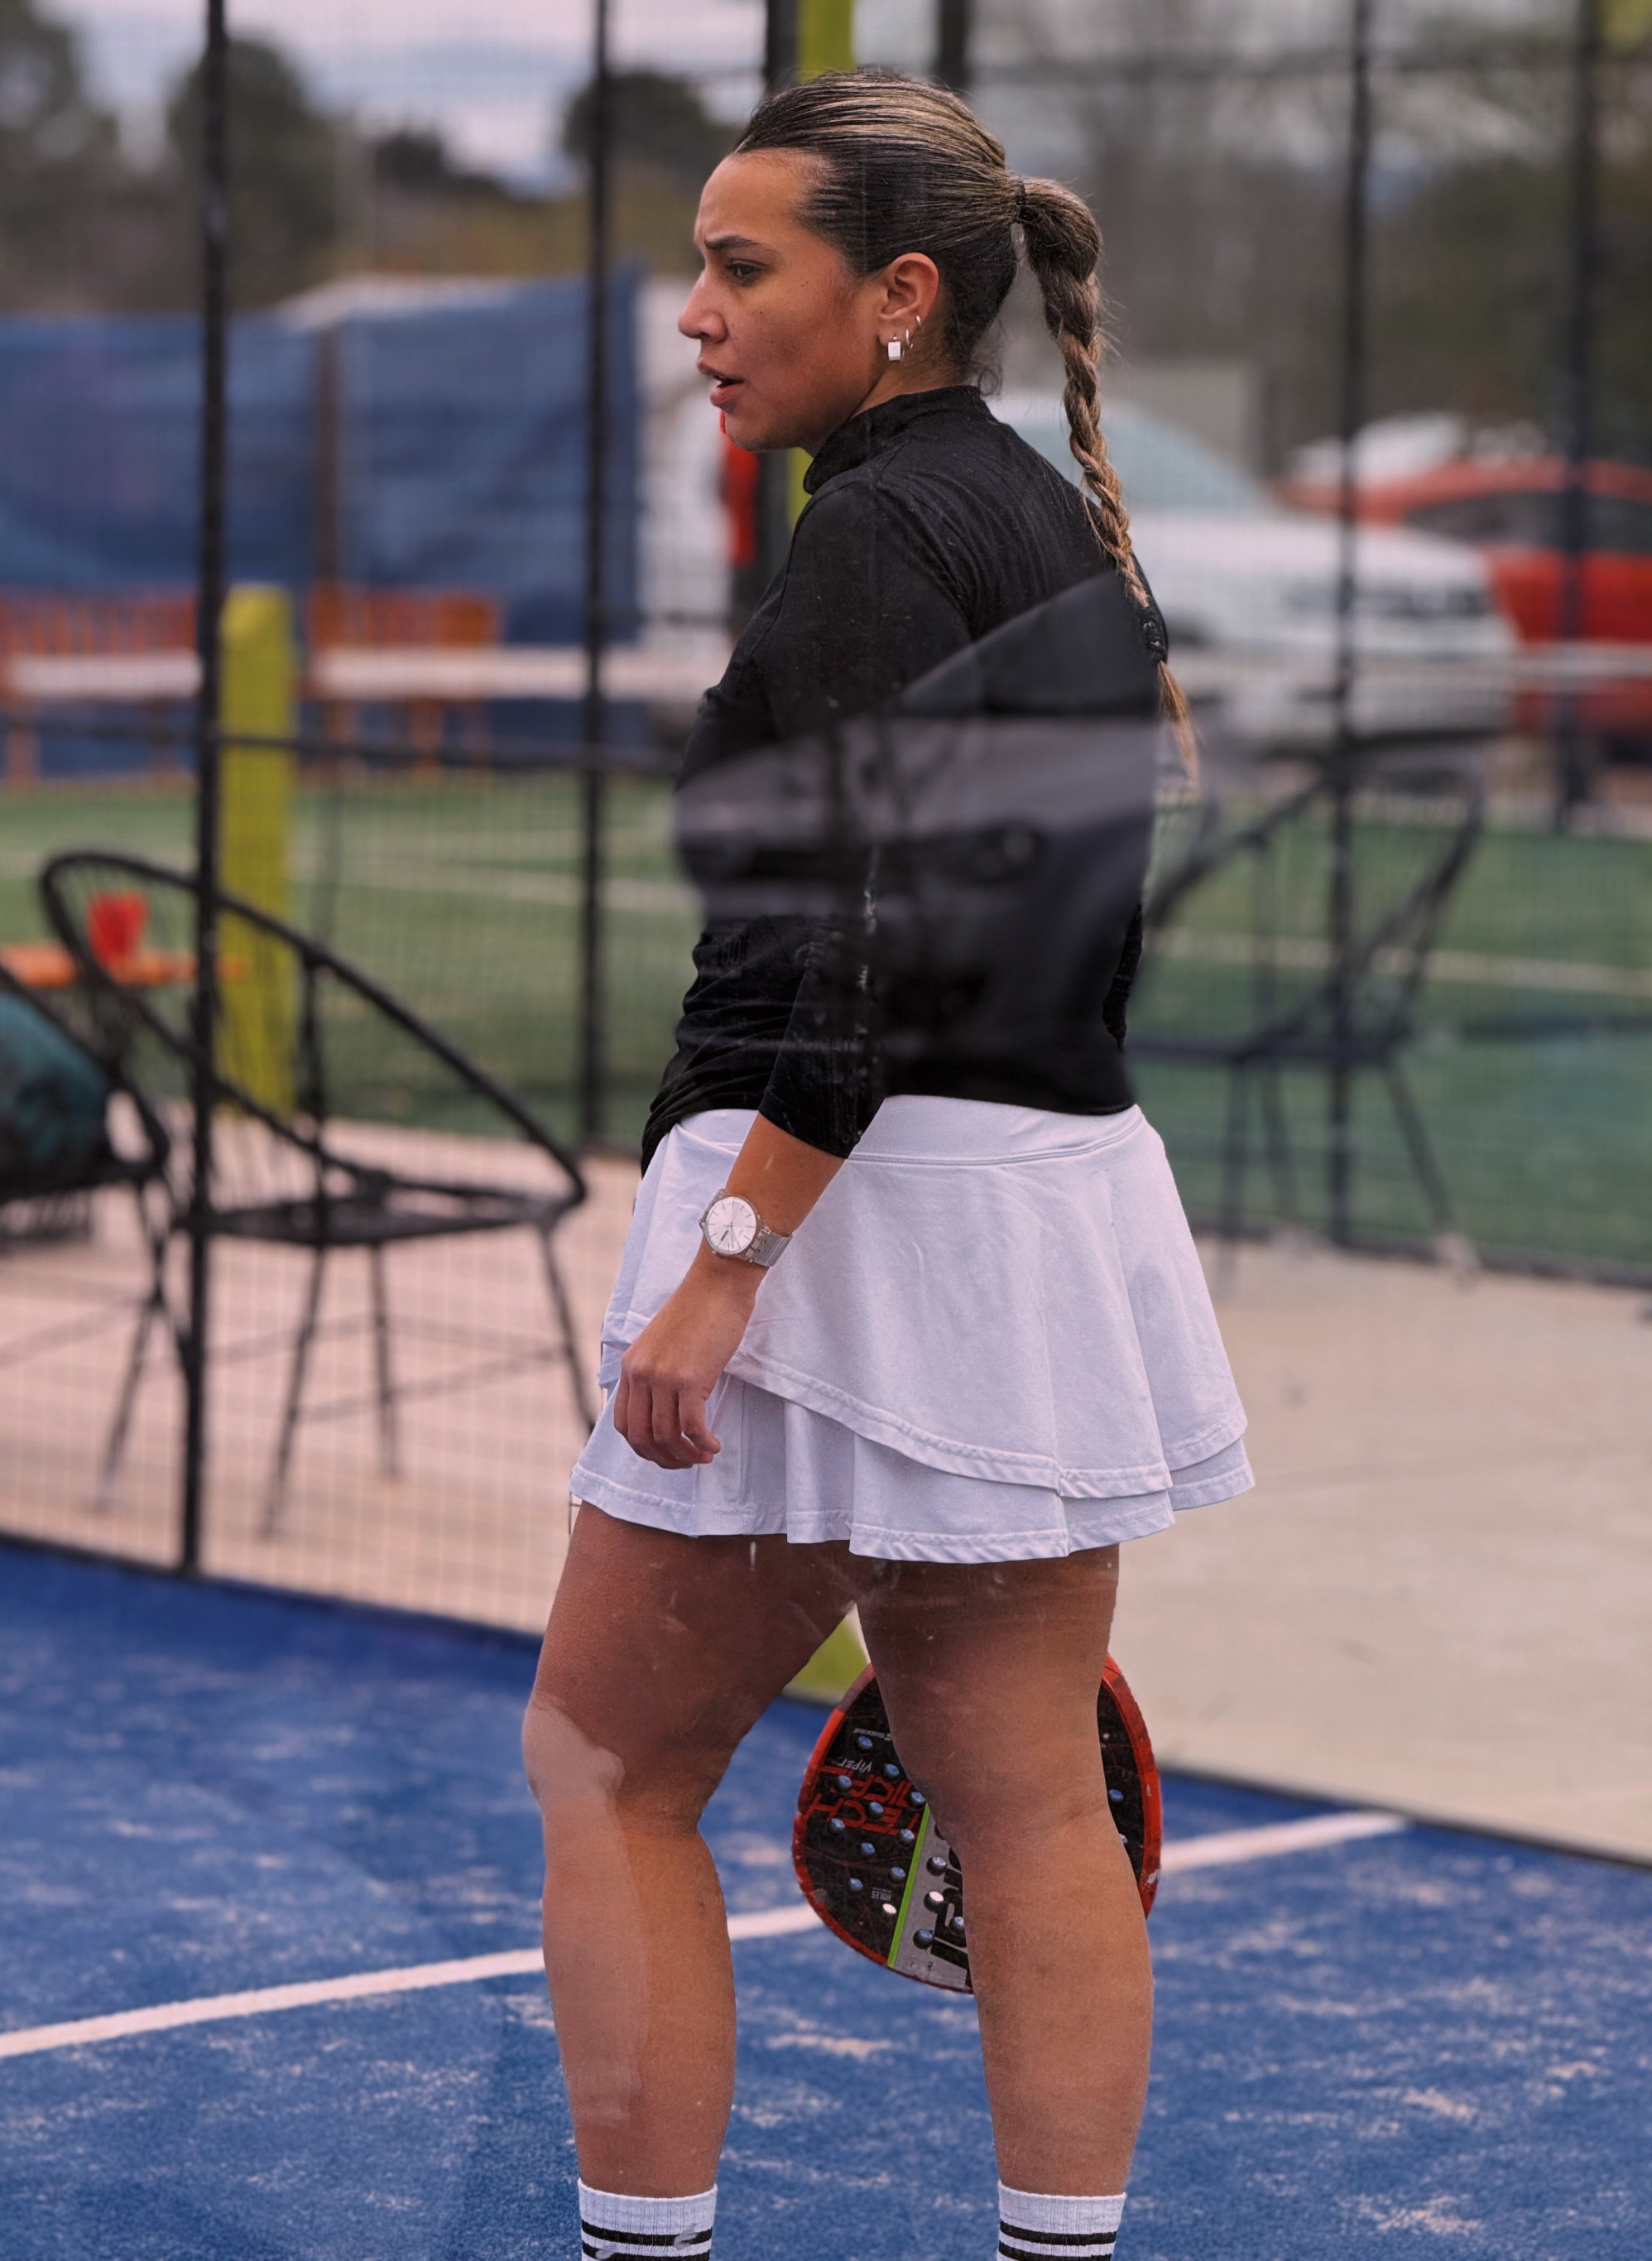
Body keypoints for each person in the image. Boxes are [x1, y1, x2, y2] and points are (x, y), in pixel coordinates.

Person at [523, 70, 1251, 2261]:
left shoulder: (872, 534)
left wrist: (732, 1255)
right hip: (1034, 1206)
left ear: (901, 293)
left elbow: (875, 936)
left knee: (604, 1764)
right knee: (1028, 1804)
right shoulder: (1044, 519)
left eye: (741, 267)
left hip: (839, 1205)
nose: (698, 313)